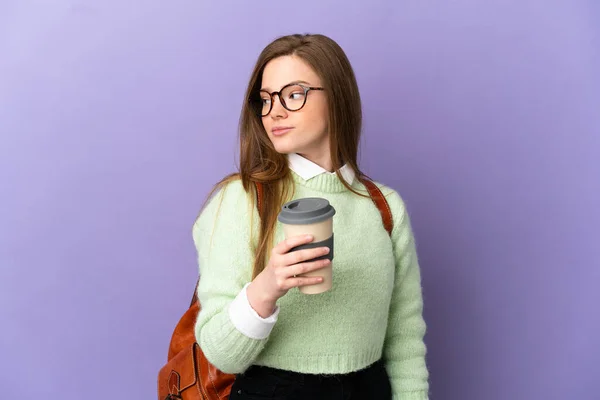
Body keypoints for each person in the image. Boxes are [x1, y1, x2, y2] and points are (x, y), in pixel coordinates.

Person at [192, 33, 429, 399]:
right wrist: (268, 286)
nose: (275, 111)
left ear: (336, 96)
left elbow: (405, 340)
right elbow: (222, 355)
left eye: (293, 94)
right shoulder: (240, 200)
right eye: (266, 99)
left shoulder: (384, 206)